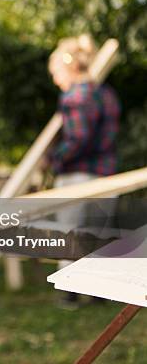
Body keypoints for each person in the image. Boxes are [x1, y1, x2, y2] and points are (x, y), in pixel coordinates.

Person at [47, 34, 121, 309]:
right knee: (97, 233)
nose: (56, 80)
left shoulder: (76, 96)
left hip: (77, 175)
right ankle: (98, 291)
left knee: (70, 233)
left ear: (69, 67)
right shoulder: (107, 95)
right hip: (107, 175)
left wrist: (54, 158)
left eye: (56, 73)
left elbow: (79, 138)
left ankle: (70, 293)